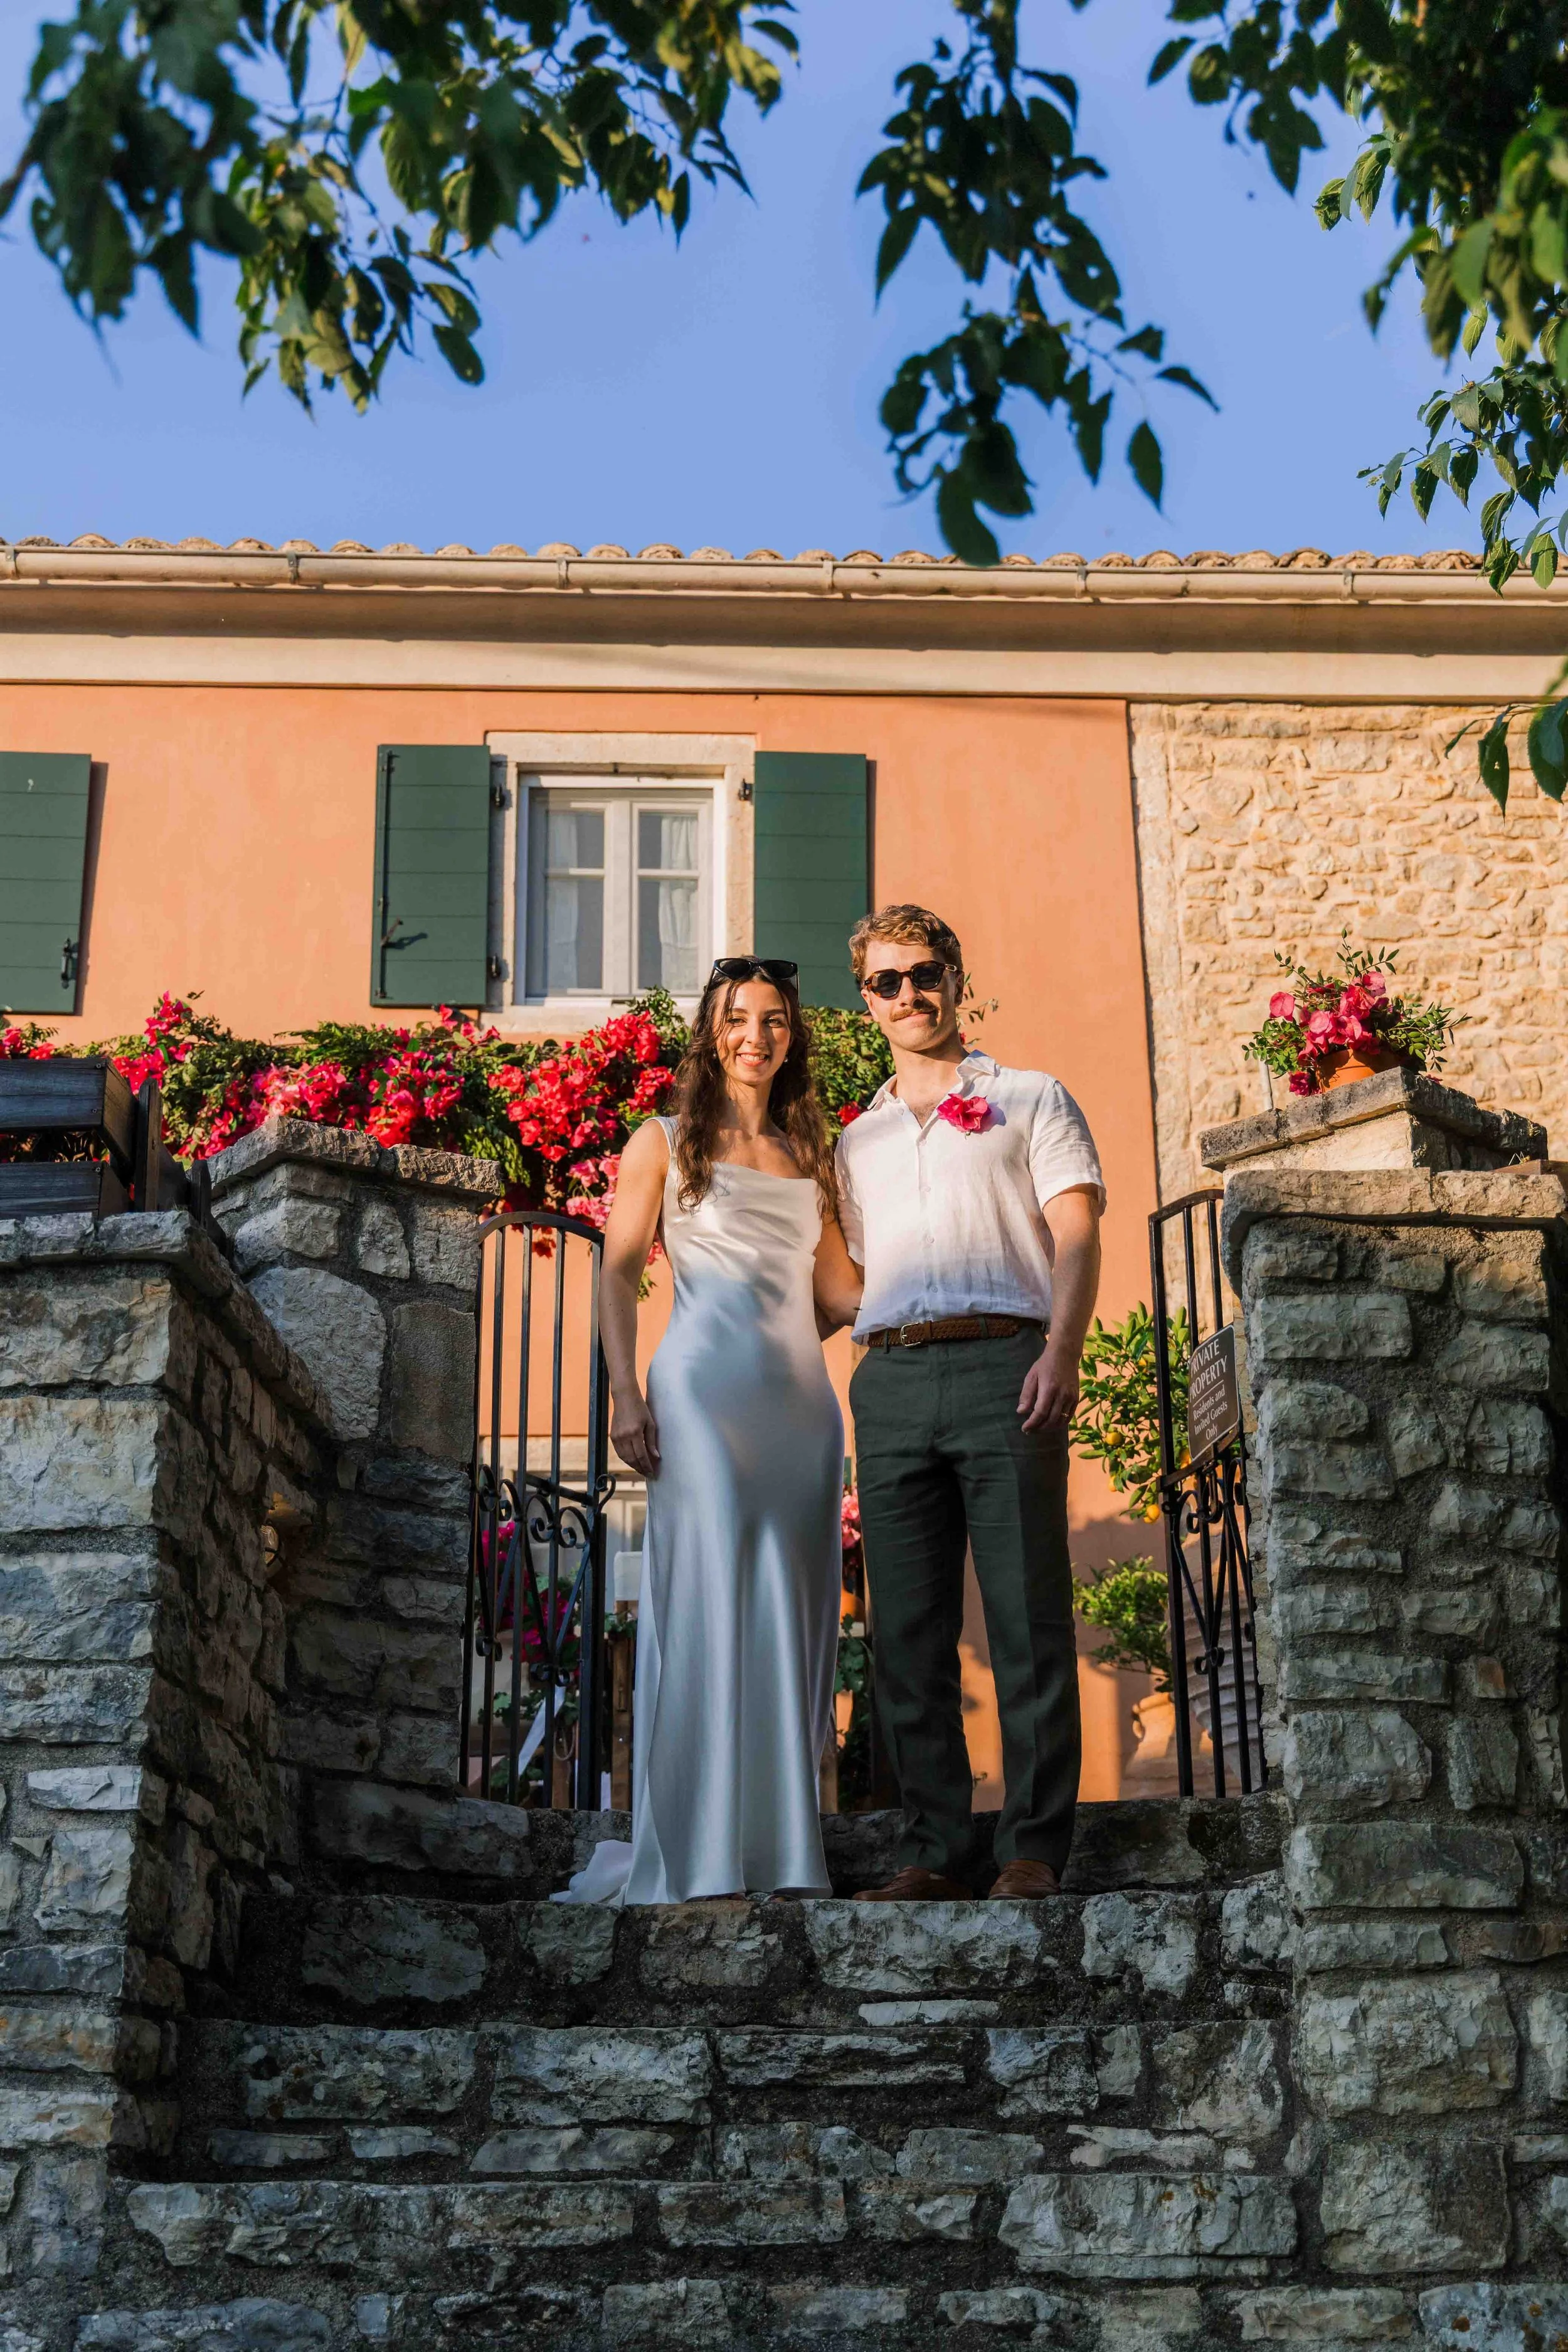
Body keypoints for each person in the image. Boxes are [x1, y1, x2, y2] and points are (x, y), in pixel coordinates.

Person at [554, 956, 862, 1905]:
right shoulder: (663, 1139)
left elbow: (841, 1293)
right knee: (711, 1606)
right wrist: (623, 1394)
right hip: (696, 1393)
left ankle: (780, 1852)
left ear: (793, 1035)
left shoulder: (816, 1156)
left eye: (774, 1019)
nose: (757, 1036)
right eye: (738, 1018)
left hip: (801, 1408)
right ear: (711, 1030)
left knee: (790, 1610)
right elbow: (615, 1274)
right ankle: (701, 1856)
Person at [834, 905, 1104, 1902]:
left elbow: (1075, 1233)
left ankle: (1033, 1846)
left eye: (924, 972)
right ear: (867, 1001)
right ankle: (934, 1849)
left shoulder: (1032, 1098)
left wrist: (1063, 1350)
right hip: (893, 1378)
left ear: (956, 972)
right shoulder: (853, 1140)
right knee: (904, 1630)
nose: (910, 995)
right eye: (886, 982)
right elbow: (850, 1276)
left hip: (1008, 1363)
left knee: (1028, 1611)